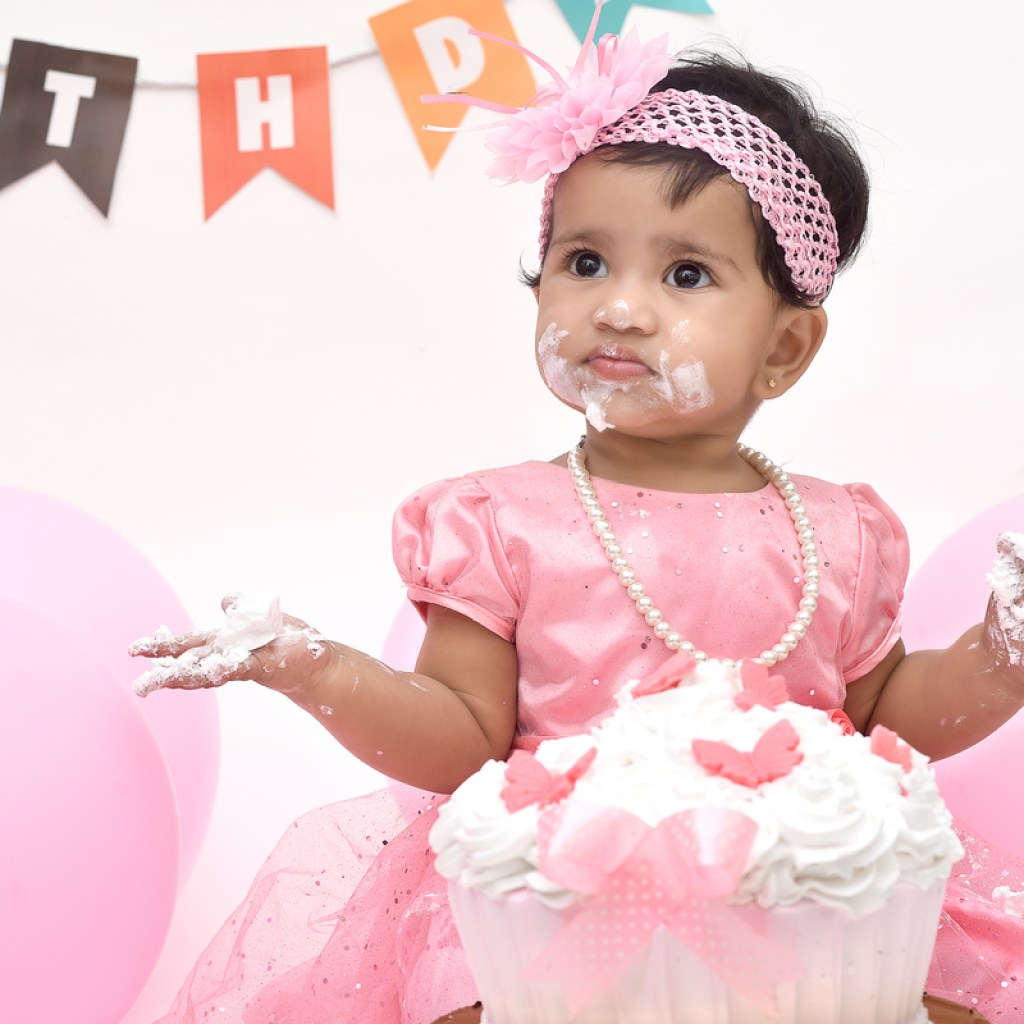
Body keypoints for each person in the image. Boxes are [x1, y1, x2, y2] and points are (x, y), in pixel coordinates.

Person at [132, 7, 1024, 1021]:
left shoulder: (840, 531)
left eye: (684, 273)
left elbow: (880, 724)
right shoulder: (501, 520)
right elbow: (464, 740)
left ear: (785, 348)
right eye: (584, 261)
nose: (618, 306)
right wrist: (315, 665)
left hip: (803, 909)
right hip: (550, 906)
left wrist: (999, 663)